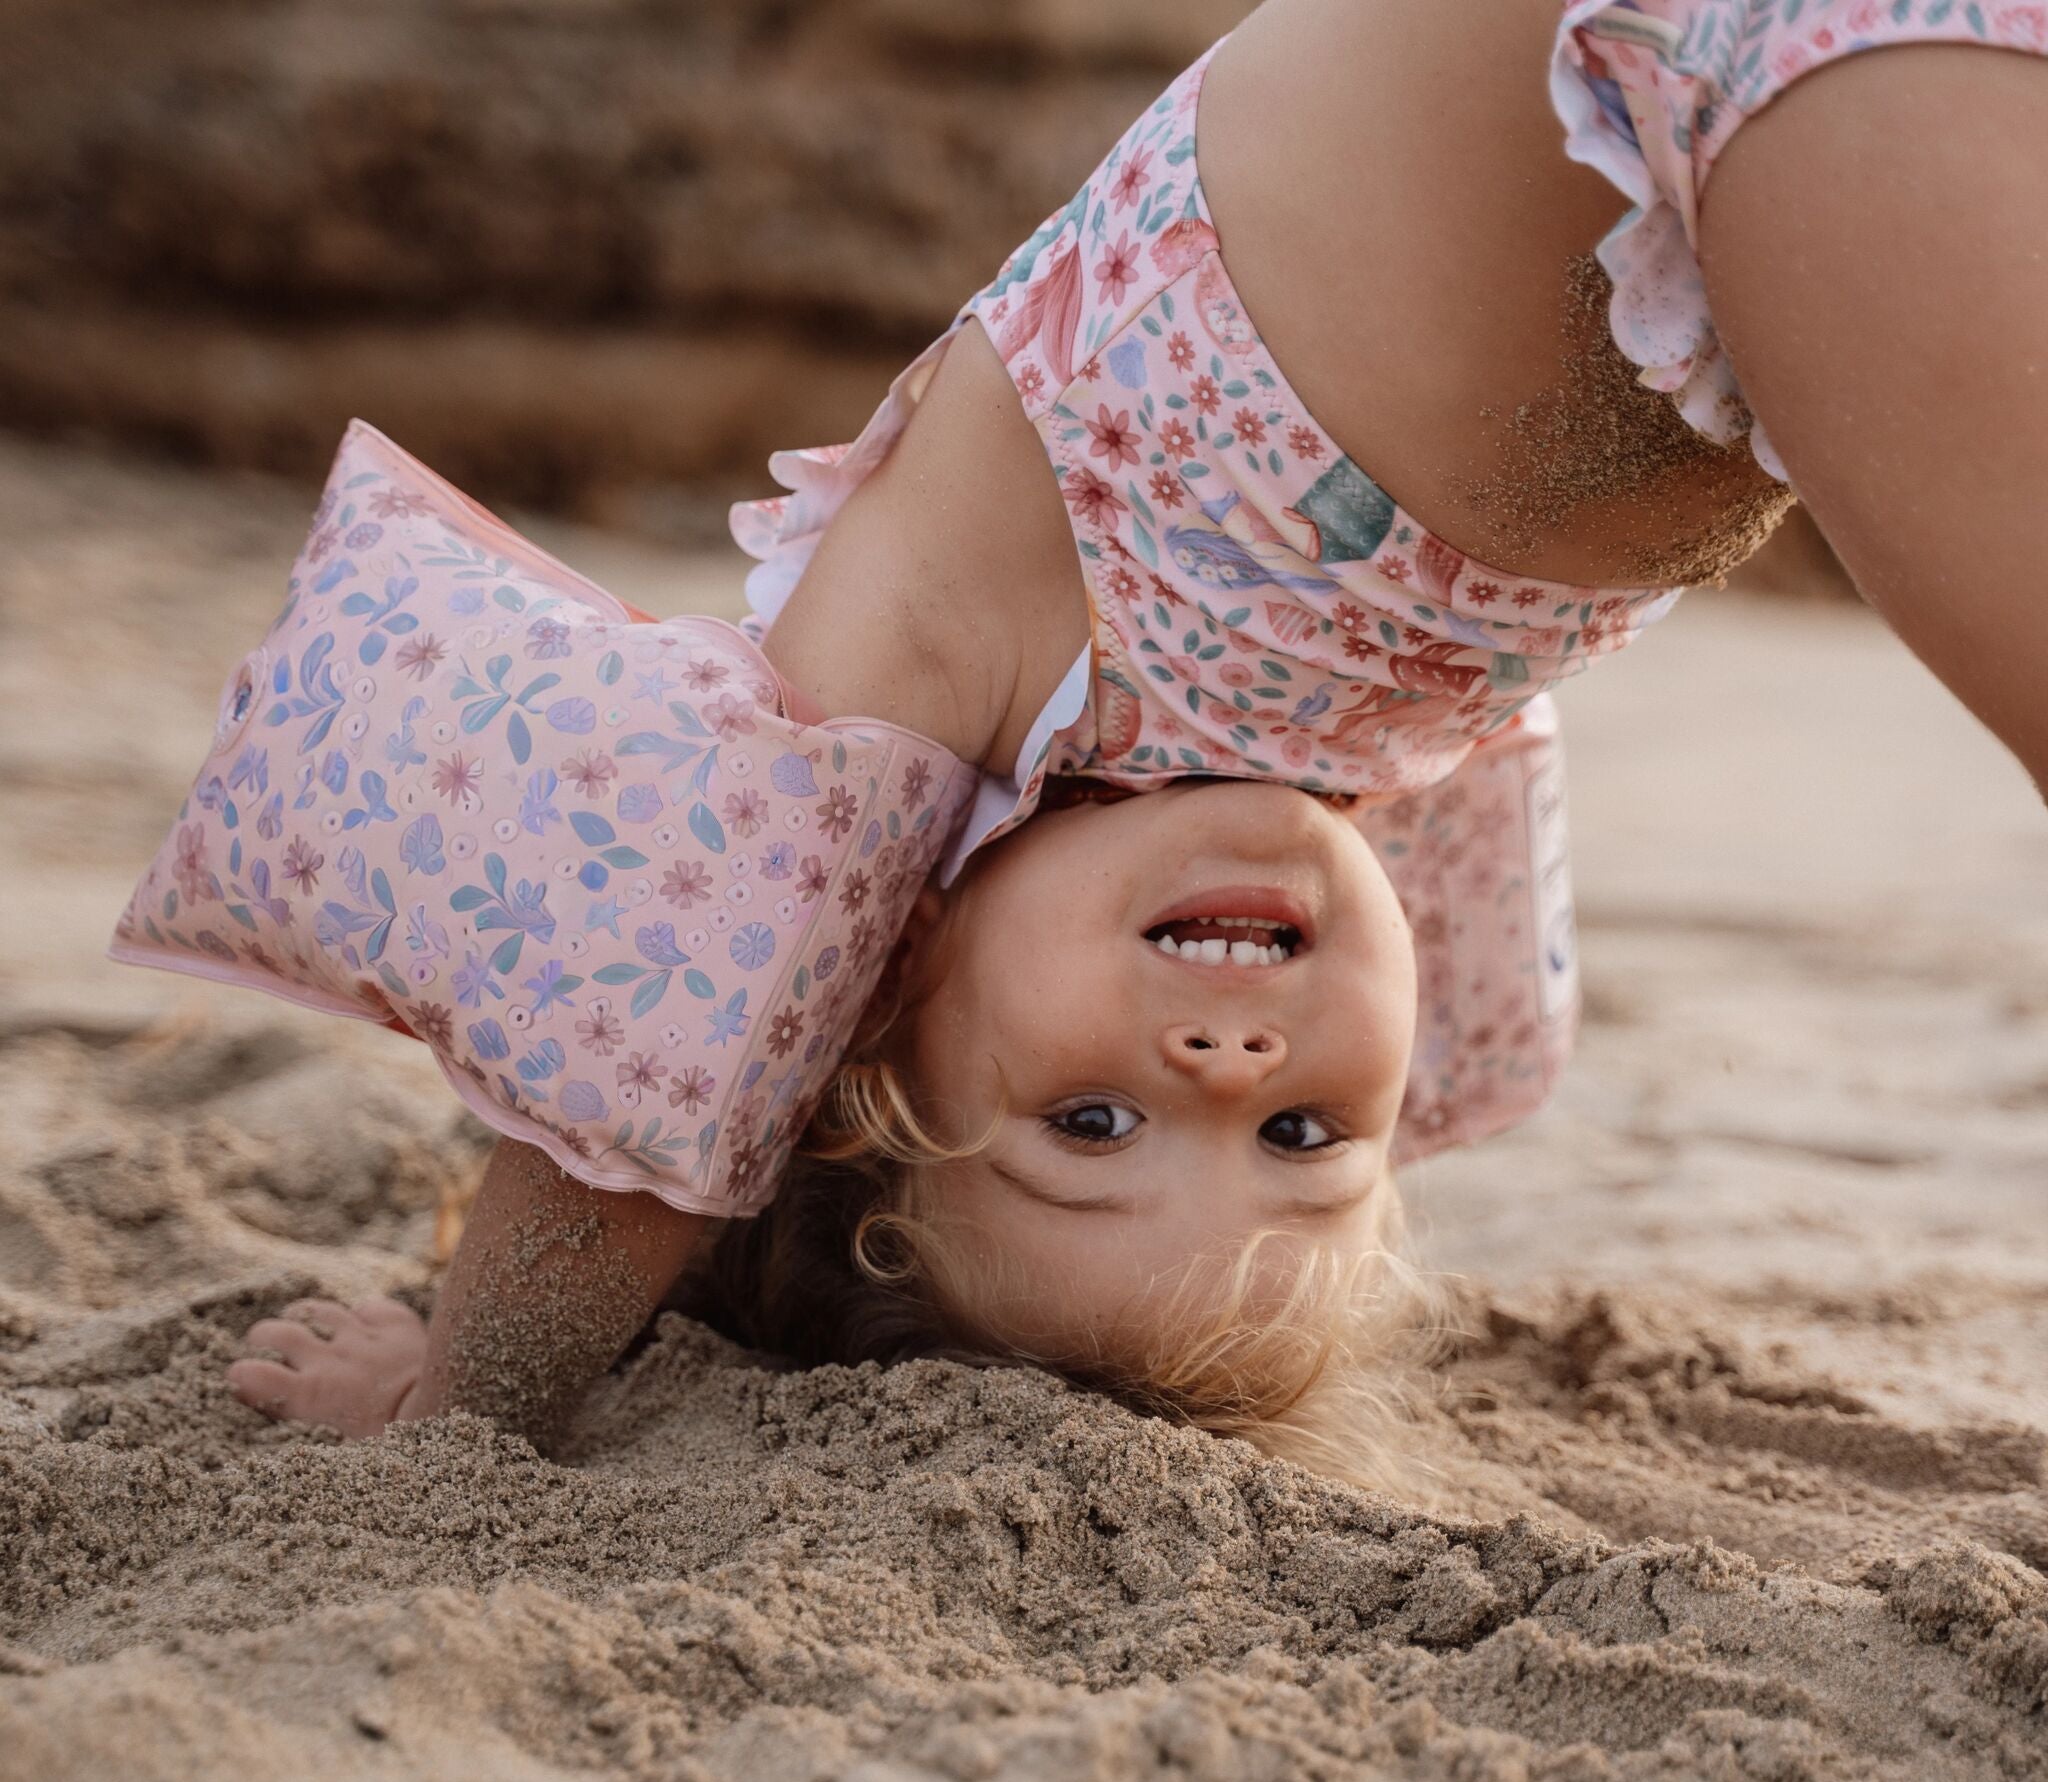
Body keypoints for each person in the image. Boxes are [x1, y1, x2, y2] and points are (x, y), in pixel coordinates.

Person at [116, 0, 2044, 1469]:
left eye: (1094, 1124)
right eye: (1307, 1134)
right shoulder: (1323, 772)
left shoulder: (918, 636)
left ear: (859, 1025)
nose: (1227, 1053)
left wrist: (465, 1403)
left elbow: (641, 1088)